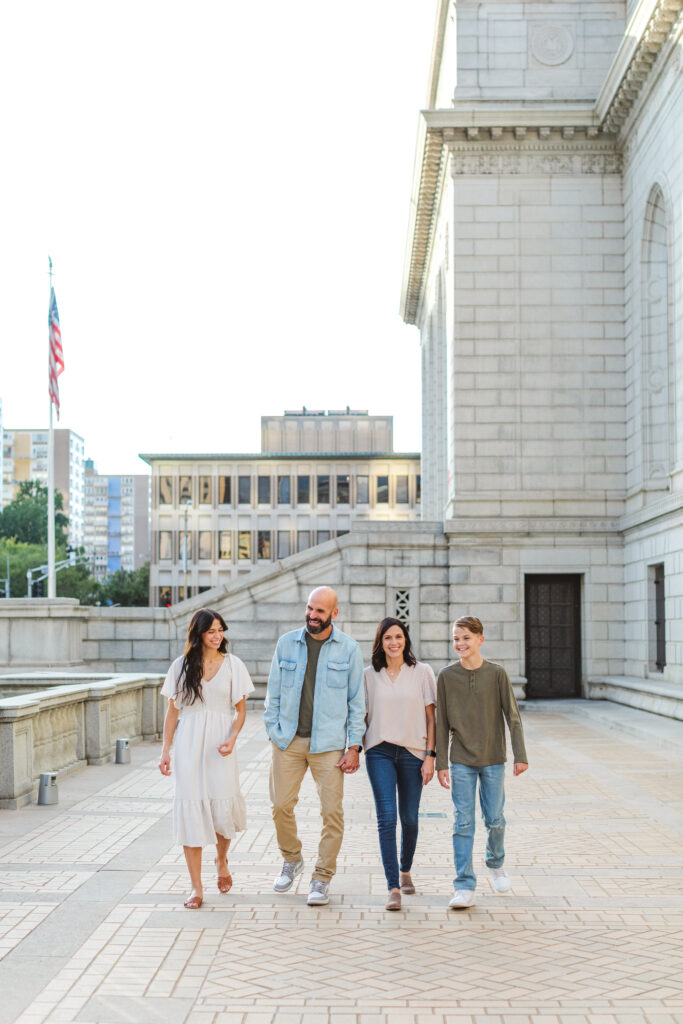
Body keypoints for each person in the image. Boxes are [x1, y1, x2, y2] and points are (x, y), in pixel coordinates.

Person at [264, 586, 365, 906]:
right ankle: (292, 858)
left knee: (332, 813)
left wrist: (354, 746)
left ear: (334, 614)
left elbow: (356, 703)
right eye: (310, 608)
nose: (312, 615)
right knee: (280, 806)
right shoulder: (286, 643)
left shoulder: (349, 649)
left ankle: (322, 877)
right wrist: (273, 731)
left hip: (330, 745)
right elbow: (273, 693)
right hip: (288, 742)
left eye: (320, 611)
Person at [158, 608, 254, 909]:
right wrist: (165, 750)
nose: (217, 635)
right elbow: (173, 711)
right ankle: (196, 887)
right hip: (188, 743)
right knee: (191, 809)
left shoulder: (233, 665)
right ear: (198, 633)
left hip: (219, 744)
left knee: (222, 808)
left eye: (220, 630)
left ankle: (222, 860)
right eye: (211, 630)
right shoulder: (181, 666)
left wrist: (232, 737)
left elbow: (240, 711)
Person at [436, 615, 528, 909]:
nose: (460, 643)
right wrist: (441, 763)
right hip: (461, 759)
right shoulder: (446, 677)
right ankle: (464, 884)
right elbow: (441, 723)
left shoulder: (497, 674)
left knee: (495, 820)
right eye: (456, 638)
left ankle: (495, 862)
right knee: (463, 822)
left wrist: (520, 755)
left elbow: (512, 716)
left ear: (480, 640)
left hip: (493, 759)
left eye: (465, 638)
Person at [363, 617, 436, 911]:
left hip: (414, 752)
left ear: (406, 640)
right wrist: (354, 747)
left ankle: (405, 868)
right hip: (379, 750)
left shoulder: (422, 672)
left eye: (399, 637)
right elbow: (361, 716)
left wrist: (431, 756)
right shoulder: (369, 675)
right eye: (388, 638)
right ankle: (392, 885)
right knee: (387, 818)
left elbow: (432, 718)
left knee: (410, 819)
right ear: (380, 643)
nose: (394, 643)